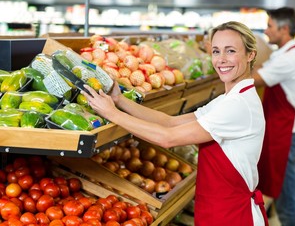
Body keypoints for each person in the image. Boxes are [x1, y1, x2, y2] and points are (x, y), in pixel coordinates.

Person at [82, 21, 269, 226]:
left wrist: (112, 114)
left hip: (233, 215)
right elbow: (170, 122)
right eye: (216, 51)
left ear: (250, 55)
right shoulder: (231, 98)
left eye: (230, 51)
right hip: (218, 209)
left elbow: (168, 138)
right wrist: (119, 101)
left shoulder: (238, 105)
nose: (221, 59)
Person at [252, 7, 295, 226]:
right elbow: (260, 67)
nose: (266, 31)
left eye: (269, 26)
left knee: (286, 204)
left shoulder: (289, 60)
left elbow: (255, 78)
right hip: (281, 134)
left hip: (286, 138)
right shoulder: (284, 54)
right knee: (279, 197)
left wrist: (222, 61)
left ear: (284, 29)